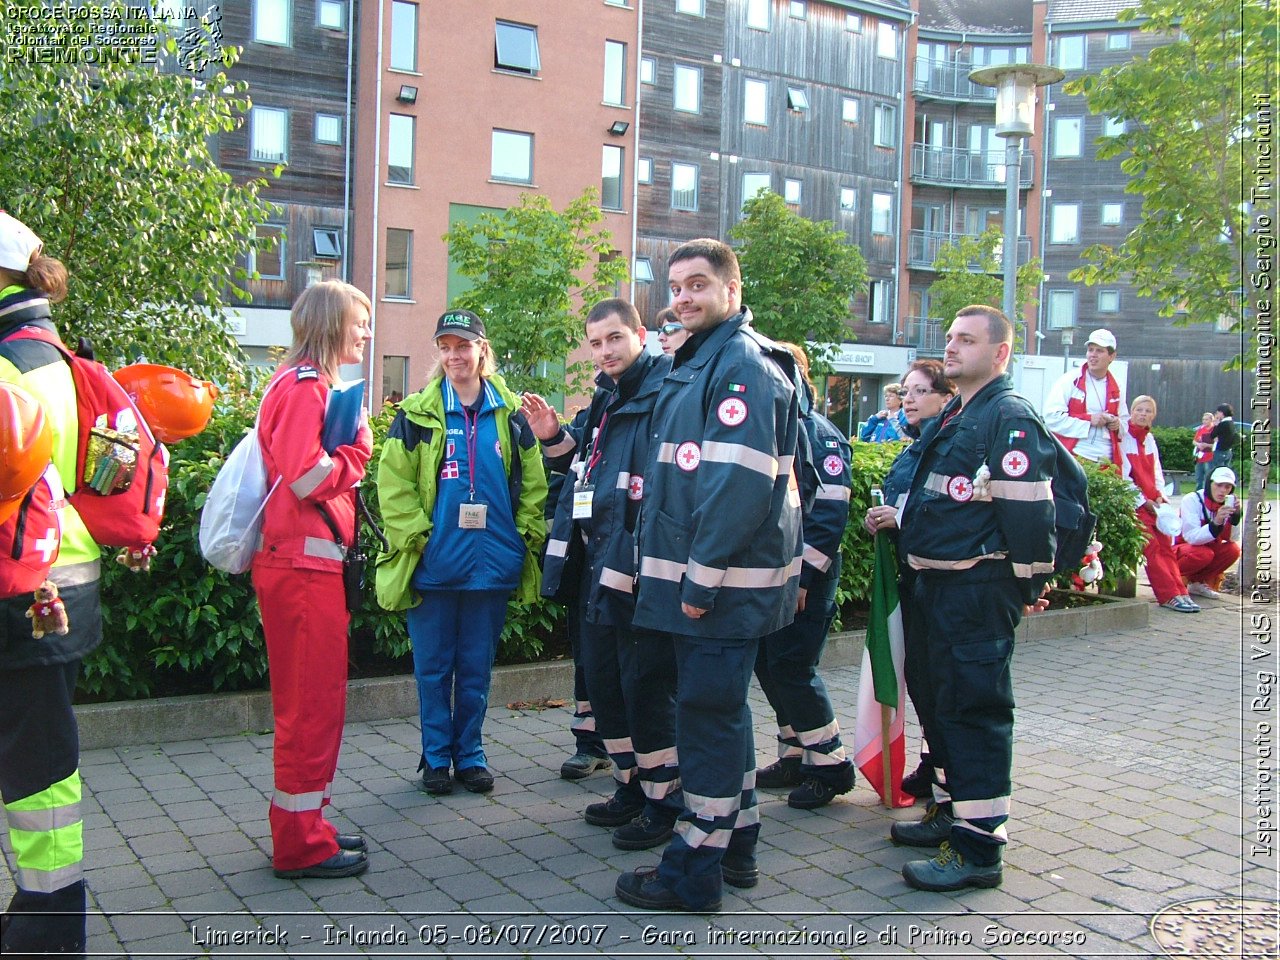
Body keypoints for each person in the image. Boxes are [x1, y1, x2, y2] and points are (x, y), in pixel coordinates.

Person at [616, 238, 803, 913]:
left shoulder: (740, 366)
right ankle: (740, 845)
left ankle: (693, 871)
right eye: (675, 286)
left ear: (730, 287)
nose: (683, 297)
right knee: (720, 717)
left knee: (706, 721)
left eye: (697, 284)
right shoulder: (702, 360)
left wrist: (698, 582)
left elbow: (736, 488)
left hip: (717, 592)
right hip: (706, 588)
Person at [892, 305, 1057, 893]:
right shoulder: (961, 413)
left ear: (1001, 353)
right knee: (943, 706)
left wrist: (1028, 585)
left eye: (968, 339)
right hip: (939, 586)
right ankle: (950, 814)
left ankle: (979, 850)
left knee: (976, 712)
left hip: (976, 590)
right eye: (951, 337)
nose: (953, 347)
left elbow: (1030, 515)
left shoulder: (1007, 416)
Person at [525, 298, 682, 851]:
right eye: (596, 343)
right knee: (605, 686)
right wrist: (552, 436)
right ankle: (629, 788)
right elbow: (587, 469)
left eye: (615, 339)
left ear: (640, 334)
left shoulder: (668, 392)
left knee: (646, 690)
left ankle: (665, 802)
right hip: (595, 565)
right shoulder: (605, 395)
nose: (606, 351)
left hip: (638, 569)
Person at [376, 309, 547, 797]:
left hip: (492, 564)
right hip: (435, 563)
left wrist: (522, 534)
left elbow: (533, 482)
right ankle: (435, 758)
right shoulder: (415, 414)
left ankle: (470, 755)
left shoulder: (511, 414)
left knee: (475, 667)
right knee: (432, 669)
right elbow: (393, 485)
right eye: (446, 347)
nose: (455, 355)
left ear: (482, 350)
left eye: (463, 346)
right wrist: (419, 538)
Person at [251, 280, 374, 880]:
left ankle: (309, 824)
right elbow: (305, 477)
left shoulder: (304, 385)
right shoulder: (306, 390)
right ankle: (300, 845)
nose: (366, 333)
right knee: (308, 709)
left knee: (317, 706)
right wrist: (358, 451)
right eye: (359, 322)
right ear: (331, 325)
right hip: (302, 570)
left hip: (306, 567)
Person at [0, 214, 95, 954]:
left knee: (37, 764)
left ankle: (50, 924)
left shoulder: (7, 362)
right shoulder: (53, 354)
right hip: (55, 585)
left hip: (23, 590)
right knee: (41, 758)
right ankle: (47, 910)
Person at [753, 341, 855, 810]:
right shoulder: (781, 427)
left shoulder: (818, 432)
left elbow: (828, 516)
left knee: (792, 667)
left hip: (806, 579)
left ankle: (830, 764)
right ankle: (794, 753)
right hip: (779, 576)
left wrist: (803, 581)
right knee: (770, 665)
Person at [863, 359, 957, 804]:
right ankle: (933, 760)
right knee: (918, 680)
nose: (910, 400)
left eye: (920, 391)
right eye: (906, 392)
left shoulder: (951, 444)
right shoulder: (914, 446)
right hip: (911, 578)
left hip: (941, 584)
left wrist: (898, 518)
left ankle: (950, 781)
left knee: (940, 684)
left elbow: (944, 512)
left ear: (945, 396)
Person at [1120, 396, 1199, 614]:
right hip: (1136, 504)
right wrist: (1143, 501)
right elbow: (1124, 475)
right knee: (1153, 547)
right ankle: (1168, 595)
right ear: (1131, 412)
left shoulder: (1150, 439)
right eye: (1139, 409)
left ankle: (1180, 591)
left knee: (1166, 546)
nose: (1143, 414)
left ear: (1153, 416)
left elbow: (1156, 472)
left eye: (1148, 411)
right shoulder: (1123, 438)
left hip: (1154, 503)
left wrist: (1160, 497)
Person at [1043, 328, 1127, 465]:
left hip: (1107, 462)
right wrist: (1089, 420)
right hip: (1074, 457)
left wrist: (1117, 424)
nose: (1093, 355)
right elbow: (1051, 418)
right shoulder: (1069, 380)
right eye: (1090, 350)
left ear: (1112, 356)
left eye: (1099, 351)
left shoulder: (1118, 386)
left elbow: (1125, 423)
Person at [1175, 466, 1242, 599]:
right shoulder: (1191, 500)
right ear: (1209, 484)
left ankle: (1197, 583)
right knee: (1203, 554)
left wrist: (1235, 518)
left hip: (1206, 551)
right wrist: (1216, 522)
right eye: (1219, 485)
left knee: (1233, 550)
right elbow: (1191, 537)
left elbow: (1233, 538)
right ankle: (1172, 581)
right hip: (1181, 550)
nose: (1222, 491)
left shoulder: (1227, 504)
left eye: (1227, 487)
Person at [1208, 403, 1236, 470]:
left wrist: (1216, 425)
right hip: (1228, 451)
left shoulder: (1223, 424)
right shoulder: (1231, 422)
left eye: (1217, 413)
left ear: (1221, 413)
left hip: (1220, 451)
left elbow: (1212, 435)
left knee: (1217, 472)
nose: (1217, 414)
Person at [1192, 412, 1216, 493]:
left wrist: (1207, 445)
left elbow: (1216, 445)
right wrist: (1198, 444)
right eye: (1203, 419)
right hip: (1199, 456)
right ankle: (1198, 492)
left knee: (1208, 476)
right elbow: (1194, 441)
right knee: (1199, 477)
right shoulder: (1201, 429)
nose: (1204, 421)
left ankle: (1208, 492)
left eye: (1206, 419)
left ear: (1211, 420)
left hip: (1209, 456)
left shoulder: (1214, 430)